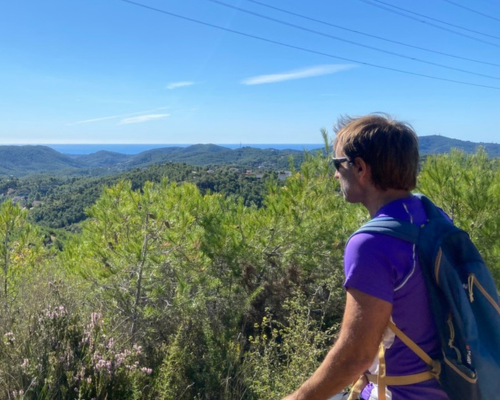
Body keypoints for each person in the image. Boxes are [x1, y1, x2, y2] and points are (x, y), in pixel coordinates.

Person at [281, 114, 450, 400]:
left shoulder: (372, 242)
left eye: (338, 164)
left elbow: (355, 357)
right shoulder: (432, 217)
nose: (336, 174)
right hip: (450, 387)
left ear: (360, 168)